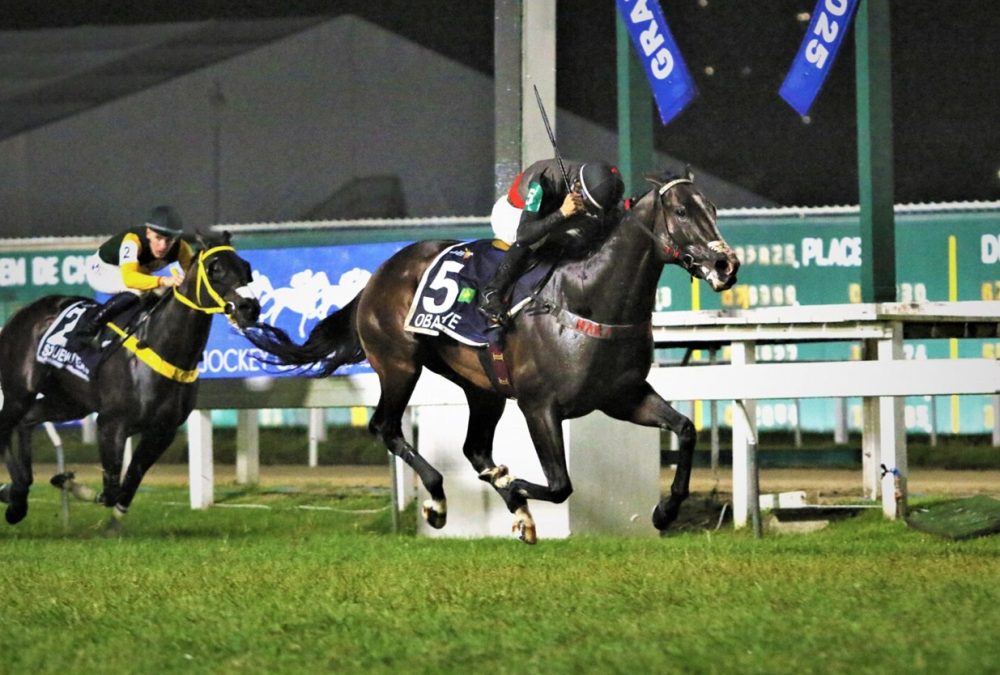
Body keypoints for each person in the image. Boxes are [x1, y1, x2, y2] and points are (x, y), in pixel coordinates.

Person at [479, 158, 625, 325]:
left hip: (550, 211)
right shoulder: (544, 181)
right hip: (514, 215)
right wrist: (562, 213)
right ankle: (492, 293)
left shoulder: (597, 183)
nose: (590, 211)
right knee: (541, 238)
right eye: (588, 205)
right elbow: (524, 234)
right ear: (578, 188)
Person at [66, 205, 193, 350]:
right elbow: (130, 279)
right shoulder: (132, 240)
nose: (163, 246)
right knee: (138, 290)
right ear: (148, 232)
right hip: (102, 269)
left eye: (168, 240)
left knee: (160, 294)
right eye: (158, 238)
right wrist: (163, 280)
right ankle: (88, 331)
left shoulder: (182, 248)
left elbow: (190, 281)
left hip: (135, 270)